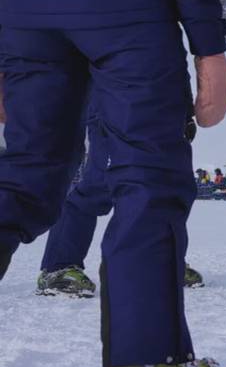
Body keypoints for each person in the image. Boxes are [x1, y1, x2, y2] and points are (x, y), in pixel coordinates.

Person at [0, 0, 226, 367]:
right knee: (146, 176)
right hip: (123, 8)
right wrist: (209, 48)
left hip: (28, 12)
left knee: (24, 175)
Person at [37, 105, 205, 298]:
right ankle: (58, 266)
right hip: (114, 105)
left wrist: (184, 113)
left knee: (164, 189)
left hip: (164, 112)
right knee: (99, 186)